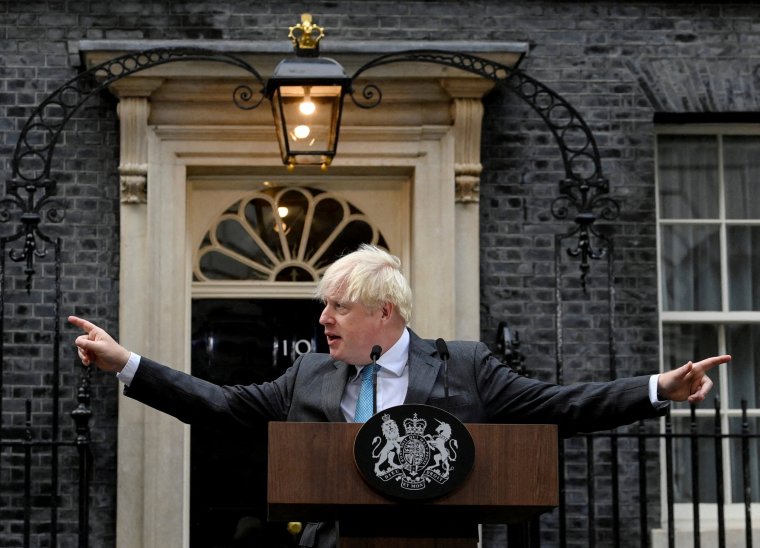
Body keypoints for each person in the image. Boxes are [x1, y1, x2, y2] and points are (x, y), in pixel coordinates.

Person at [69, 244, 731, 548]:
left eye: (338, 306)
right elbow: (219, 406)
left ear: (385, 313)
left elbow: (558, 406)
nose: (323, 318)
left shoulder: (467, 369)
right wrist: (126, 363)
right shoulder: (307, 379)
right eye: (322, 305)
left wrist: (656, 389)